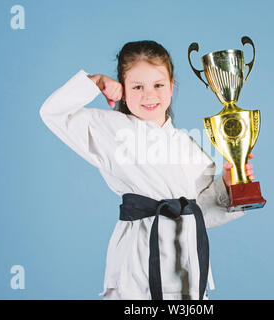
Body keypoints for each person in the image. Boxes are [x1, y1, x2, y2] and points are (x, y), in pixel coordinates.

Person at [39, 40, 255, 300]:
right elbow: (53, 113)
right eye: (137, 87)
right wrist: (95, 83)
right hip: (138, 268)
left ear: (172, 86)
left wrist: (228, 185)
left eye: (158, 85)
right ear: (123, 89)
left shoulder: (187, 144)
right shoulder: (112, 130)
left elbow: (200, 214)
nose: (149, 95)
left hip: (187, 270)